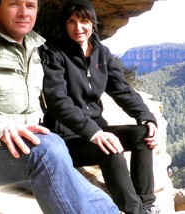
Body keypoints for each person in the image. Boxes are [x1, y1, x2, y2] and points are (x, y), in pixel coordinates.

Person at [0, 0, 119, 213]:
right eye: (14, 4)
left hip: (27, 150)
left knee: (103, 204)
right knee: (48, 150)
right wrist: (1, 128)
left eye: (30, 5)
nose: (23, 13)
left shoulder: (38, 48)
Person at [41, 0, 159, 213]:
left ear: (93, 23)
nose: (78, 28)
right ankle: (134, 210)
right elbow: (58, 102)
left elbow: (123, 90)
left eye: (84, 21)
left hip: (97, 130)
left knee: (143, 135)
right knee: (109, 149)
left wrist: (146, 117)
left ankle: (147, 205)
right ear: (64, 25)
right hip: (68, 137)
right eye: (72, 22)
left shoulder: (101, 53)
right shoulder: (54, 53)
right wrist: (94, 133)